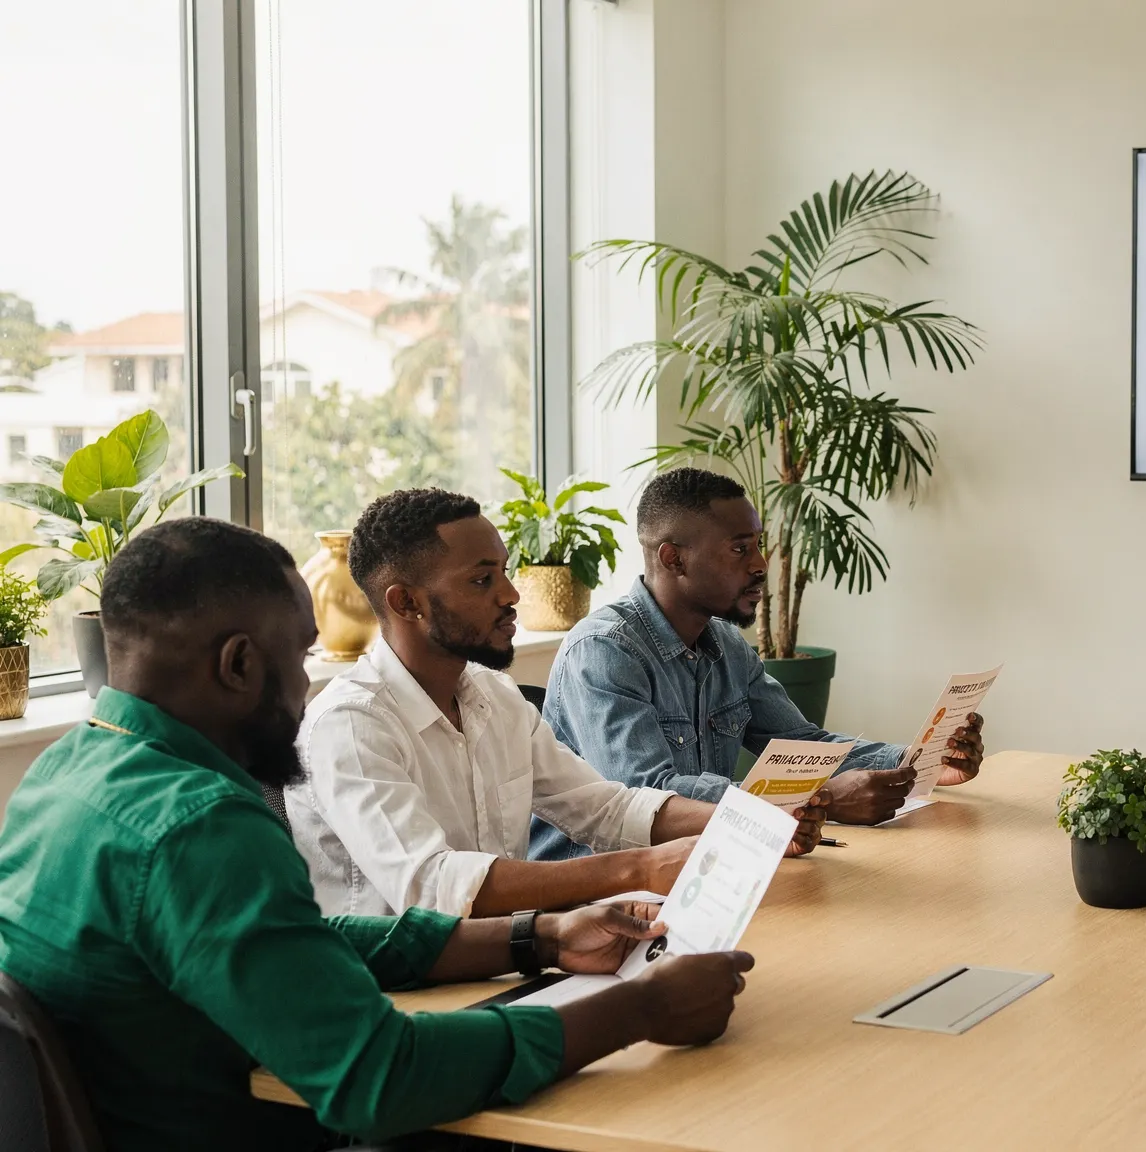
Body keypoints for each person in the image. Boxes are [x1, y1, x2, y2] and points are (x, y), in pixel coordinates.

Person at [0, 518, 757, 1151]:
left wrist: (538, 937)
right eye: (299, 657)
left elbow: (303, 936)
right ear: (237, 665)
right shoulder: (199, 829)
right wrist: (640, 1010)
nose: (307, 687)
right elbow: (382, 1078)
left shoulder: (70, 769)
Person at [290, 488, 826, 918]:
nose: (510, 595)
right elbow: (432, 886)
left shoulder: (493, 698)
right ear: (405, 602)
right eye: (482, 580)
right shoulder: (352, 726)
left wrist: (750, 824)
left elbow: (606, 808)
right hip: (401, 996)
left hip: (513, 956)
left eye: (504, 571)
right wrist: (638, 869)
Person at [533, 468, 984, 860]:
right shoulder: (603, 651)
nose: (760, 564)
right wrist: (820, 798)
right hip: (595, 897)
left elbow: (805, 744)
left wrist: (918, 763)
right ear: (674, 559)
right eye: (739, 549)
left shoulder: (725, 643)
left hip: (703, 867)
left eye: (758, 546)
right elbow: (648, 799)